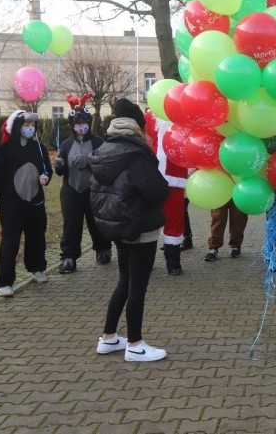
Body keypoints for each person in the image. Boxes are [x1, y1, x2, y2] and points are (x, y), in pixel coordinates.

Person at [89, 98, 170, 362]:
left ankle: (108, 337)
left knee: (124, 281)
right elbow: (157, 190)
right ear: (137, 127)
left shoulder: (104, 149)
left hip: (116, 225)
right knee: (137, 287)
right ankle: (135, 345)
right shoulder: (136, 154)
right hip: (139, 226)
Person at [0, 110, 53, 297]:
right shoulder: (4, 150)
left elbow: (47, 169)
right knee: (10, 242)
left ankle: (37, 268)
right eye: (26, 125)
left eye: (32, 126)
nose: (30, 129)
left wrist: (46, 177)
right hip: (11, 204)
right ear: (16, 127)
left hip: (35, 202)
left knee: (37, 237)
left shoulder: (39, 148)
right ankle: (4, 281)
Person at [53, 93, 111, 273]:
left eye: (85, 124)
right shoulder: (66, 144)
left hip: (93, 189)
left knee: (96, 222)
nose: (81, 127)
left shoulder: (98, 142)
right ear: (72, 126)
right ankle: (69, 257)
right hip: (71, 190)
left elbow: (105, 165)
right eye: (78, 124)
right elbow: (61, 169)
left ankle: (102, 249)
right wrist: (60, 165)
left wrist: (89, 161)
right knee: (71, 224)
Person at [144, 111, 189, 275]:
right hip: (150, 177)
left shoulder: (182, 116)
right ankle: (145, 262)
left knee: (174, 220)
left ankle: (173, 262)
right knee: (147, 221)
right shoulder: (148, 117)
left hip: (175, 177)